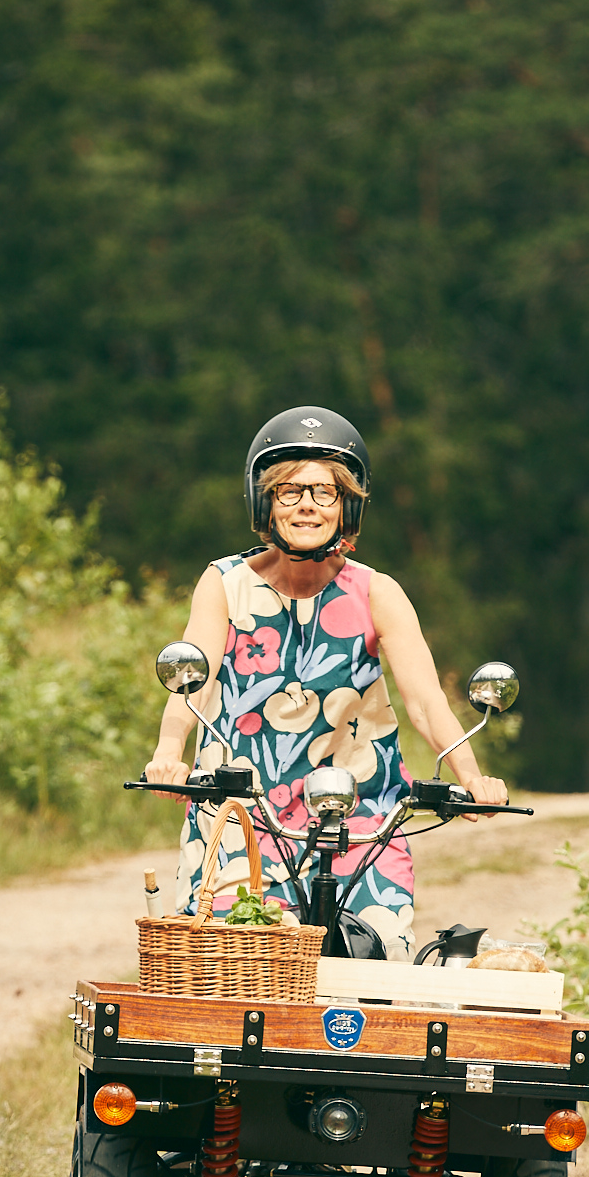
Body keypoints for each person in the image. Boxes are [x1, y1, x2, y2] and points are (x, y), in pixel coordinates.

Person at [141, 406, 508, 957]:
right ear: (265, 502)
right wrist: (169, 755)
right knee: (238, 962)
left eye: (325, 492)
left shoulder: (377, 592)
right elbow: (193, 678)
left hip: (358, 817)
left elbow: (426, 703)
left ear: (347, 506)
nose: (307, 505)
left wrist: (473, 779)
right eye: (289, 491)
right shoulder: (225, 584)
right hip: (241, 813)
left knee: (379, 956)